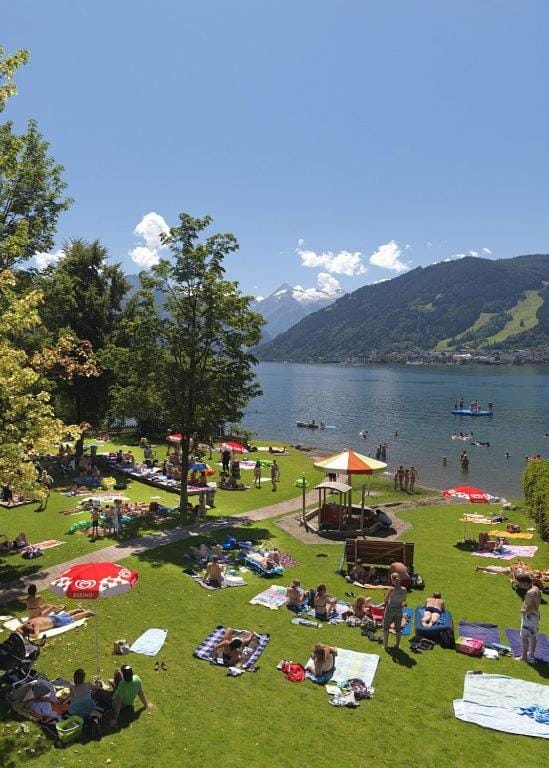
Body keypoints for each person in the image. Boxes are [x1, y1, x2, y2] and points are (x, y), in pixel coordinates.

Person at [18, 608, 95, 639]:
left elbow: (36, 635)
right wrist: (22, 630)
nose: (33, 630)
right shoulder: (30, 621)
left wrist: (26, 634)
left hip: (56, 622)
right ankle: (77, 610)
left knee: (72, 618)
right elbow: (18, 628)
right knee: (66, 614)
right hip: (52, 617)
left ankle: (86, 613)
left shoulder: (35, 625)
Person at [515, 575, 541, 662]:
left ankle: (524, 657)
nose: (519, 585)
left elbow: (533, 607)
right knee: (533, 635)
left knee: (524, 637)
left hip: (529, 616)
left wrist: (524, 610)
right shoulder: (536, 588)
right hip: (535, 616)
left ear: (525, 582)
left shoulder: (530, 593)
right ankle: (531, 654)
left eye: (520, 583)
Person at [383, 573, 408, 651]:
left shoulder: (391, 589)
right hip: (399, 609)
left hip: (390, 609)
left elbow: (386, 600)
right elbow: (404, 600)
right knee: (398, 628)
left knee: (386, 627)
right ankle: (397, 645)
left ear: (392, 580)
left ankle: (385, 646)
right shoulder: (404, 589)